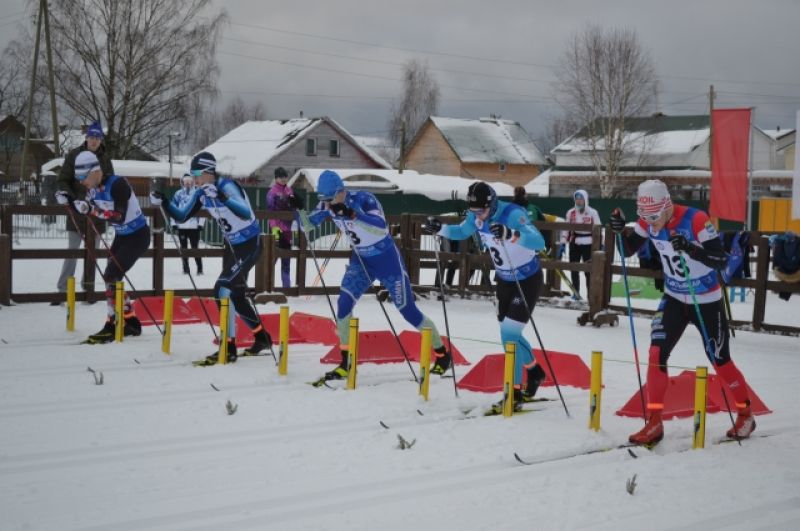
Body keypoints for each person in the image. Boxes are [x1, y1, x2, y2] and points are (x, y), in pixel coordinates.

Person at [609, 179, 756, 444]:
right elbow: (627, 249)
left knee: (719, 359)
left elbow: (721, 260)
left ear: (667, 206)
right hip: (675, 296)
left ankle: (746, 413)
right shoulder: (648, 220)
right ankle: (654, 422)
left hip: (706, 299)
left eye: (654, 217)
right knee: (656, 353)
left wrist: (691, 248)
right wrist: (619, 232)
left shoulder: (696, 220)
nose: (650, 223)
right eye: (645, 218)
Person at [296, 170, 451, 381]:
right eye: (324, 200)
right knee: (343, 304)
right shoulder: (328, 204)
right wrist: (297, 208)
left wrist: (352, 214)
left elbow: (380, 228)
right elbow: (307, 225)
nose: (327, 204)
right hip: (362, 262)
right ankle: (346, 361)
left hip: (387, 261)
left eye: (330, 199)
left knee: (408, 311)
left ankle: (442, 354)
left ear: (341, 192)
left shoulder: (364, 199)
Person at [423, 181, 547, 412]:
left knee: (509, 333)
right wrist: (440, 228)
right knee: (511, 334)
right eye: (474, 210)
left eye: (482, 210)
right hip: (504, 281)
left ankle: (514, 392)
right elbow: (462, 230)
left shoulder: (513, 214)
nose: (478, 215)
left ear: (493, 203)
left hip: (526, 280)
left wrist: (512, 234)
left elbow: (539, 242)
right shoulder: (476, 214)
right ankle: (535, 371)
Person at [153, 152, 271, 363]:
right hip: (234, 246)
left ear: (208, 172)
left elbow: (245, 212)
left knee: (221, 288)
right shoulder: (200, 193)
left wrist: (222, 197)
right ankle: (262, 337)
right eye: (192, 174)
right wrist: (164, 201)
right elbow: (182, 215)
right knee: (235, 295)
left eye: (197, 174)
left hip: (250, 244)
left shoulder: (226, 186)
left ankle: (229, 346)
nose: (194, 179)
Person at [55, 151, 147, 344]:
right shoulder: (92, 190)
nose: (81, 182)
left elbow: (118, 215)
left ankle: (113, 324)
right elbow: (85, 210)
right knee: (112, 276)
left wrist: (92, 209)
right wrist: (70, 202)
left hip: (138, 236)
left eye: (82, 177)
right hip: (122, 236)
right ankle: (130, 321)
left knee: (112, 275)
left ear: (95, 171)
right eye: (77, 178)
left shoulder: (118, 184)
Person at [53, 121, 113, 303]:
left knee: (92, 254)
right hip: (76, 213)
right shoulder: (73, 155)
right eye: (91, 137)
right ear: (86, 138)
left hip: (96, 214)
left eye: (97, 137)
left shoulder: (105, 159)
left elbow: (109, 181)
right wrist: (72, 200)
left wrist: (101, 198)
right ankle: (63, 290)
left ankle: (89, 290)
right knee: (72, 252)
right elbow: (63, 180)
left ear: (100, 140)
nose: (94, 140)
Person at [559, 189, 601, 298]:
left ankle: (590, 295)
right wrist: (563, 243)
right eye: (576, 199)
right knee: (574, 269)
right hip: (575, 243)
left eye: (581, 199)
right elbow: (566, 229)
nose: (578, 201)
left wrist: (601, 244)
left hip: (589, 244)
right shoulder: (570, 212)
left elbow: (598, 229)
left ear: (585, 199)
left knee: (588, 271)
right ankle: (576, 293)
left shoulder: (592, 212)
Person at [266, 166, 301, 288]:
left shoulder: (289, 190)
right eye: (281, 177)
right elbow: (270, 212)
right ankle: (267, 285)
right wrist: (274, 227)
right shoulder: (272, 192)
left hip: (288, 230)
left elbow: (295, 207)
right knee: (272, 258)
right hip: (276, 228)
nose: (284, 179)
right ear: (276, 178)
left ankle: (287, 287)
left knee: (286, 258)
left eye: (285, 177)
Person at [171, 174, 204, 275]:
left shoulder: (197, 193)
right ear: (182, 182)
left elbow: (203, 209)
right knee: (183, 248)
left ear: (193, 182)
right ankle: (186, 268)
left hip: (194, 226)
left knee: (195, 247)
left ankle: (199, 268)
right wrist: (173, 223)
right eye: (185, 181)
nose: (188, 183)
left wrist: (201, 224)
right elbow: (173, 208)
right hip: (182, 226)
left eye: (189, 181)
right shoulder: (178, 194)